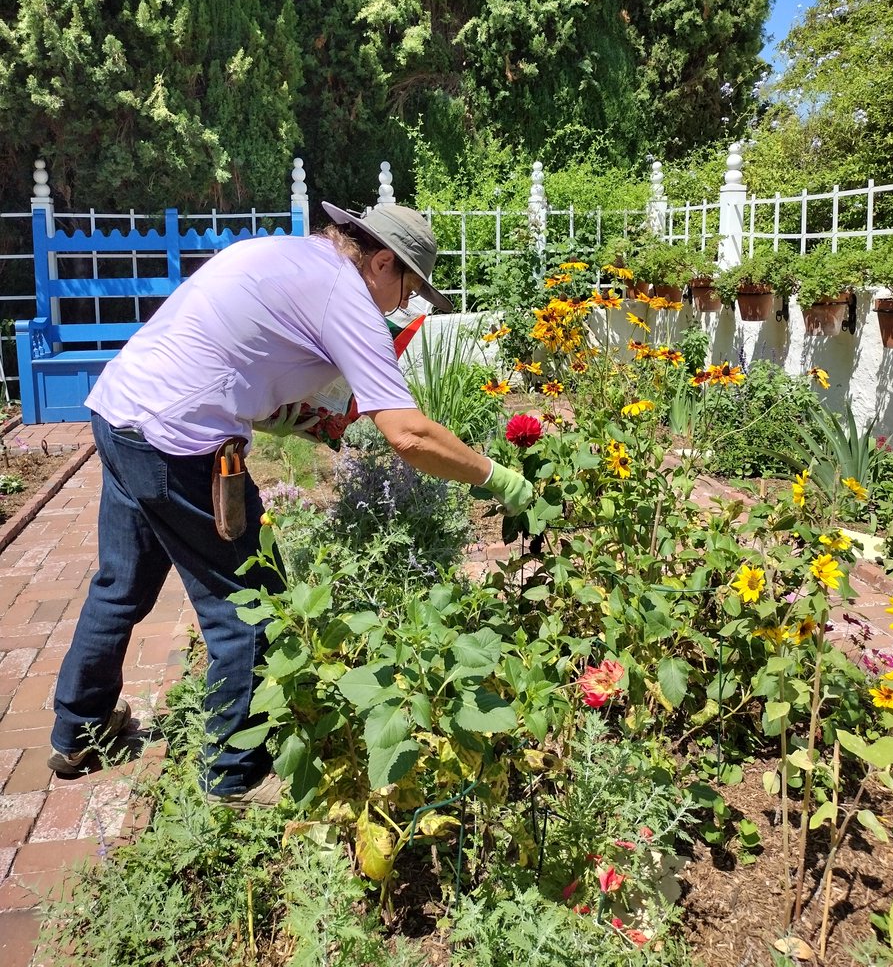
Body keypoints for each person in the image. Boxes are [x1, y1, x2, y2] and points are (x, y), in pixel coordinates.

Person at [48, 202, 532, 804]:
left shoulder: (285, 253)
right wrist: (499, 478)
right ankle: (232, 776)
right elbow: (407, 433)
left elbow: (235, 352)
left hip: (120, 411)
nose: (402, 306)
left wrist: (299, 418)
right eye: (406, 289)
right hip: (182, 441)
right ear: (381, 262)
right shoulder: (346, 294)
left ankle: (79, 732)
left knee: (121, 585)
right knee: (250, 602)